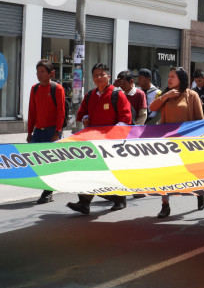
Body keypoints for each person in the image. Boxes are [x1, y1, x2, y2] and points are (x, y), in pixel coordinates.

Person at [66, 63, 133, 215]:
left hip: (112, 143)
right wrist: (85, 118)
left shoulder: (117, 94)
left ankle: (120, 199)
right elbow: (82, 112)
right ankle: (84, 202)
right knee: (89, 171)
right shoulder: (90, 95)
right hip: (93, 141)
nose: (99, 77)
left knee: (109, 173)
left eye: (102, 74)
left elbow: (125, 118)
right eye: (96, 75)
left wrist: (114, 136)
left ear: (108, 76)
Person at [149, 67, 204, 218]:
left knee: (190, 173)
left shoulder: (192, 95)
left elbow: (200, 120)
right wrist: (165, 96)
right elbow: (152, 108)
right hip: (167, 142)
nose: (169, 79)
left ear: (181, 78)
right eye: (168, 76)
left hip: (186, 143)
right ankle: (165, 205)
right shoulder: (164, 94)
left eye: (172, 76)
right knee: (165, 174)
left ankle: (199, 193)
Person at [27, 60, 67, 204]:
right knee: (35, 162)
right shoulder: (35, 89)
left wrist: (57, 131)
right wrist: (29, 132)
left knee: (49, 163)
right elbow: (32, 111)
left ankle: (48, 192)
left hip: (52, 131)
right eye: (38, 72)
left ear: (51, 73)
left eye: (42, 72)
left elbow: (61, 113)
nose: (39, 75)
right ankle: (49, 186)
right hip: (38, 131)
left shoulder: (57, 89)